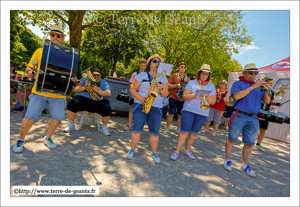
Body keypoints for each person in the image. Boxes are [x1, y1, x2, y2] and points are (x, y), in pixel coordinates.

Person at [13, 25, 68, 153]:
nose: (55, 37)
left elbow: (71, 72)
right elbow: (28, 67)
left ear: (63, 38)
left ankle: (47, 137)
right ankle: (20, 139)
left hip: (58, 93)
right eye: (52, 35)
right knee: (29, 116)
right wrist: (29, 72)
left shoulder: (68, 54)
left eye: (58, 36)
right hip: (39, 90)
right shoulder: (40, 51)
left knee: (58, 117)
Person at [223, 63, 271, 178]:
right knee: (231, 139)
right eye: (251, 73)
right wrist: (253, 87)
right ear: (244, 73)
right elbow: (236, 96)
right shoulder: (238, 83)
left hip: (254, 117)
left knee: (249, 143)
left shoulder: (258, 86)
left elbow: (267, 101)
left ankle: (244, 165)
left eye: (255, 73)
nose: (253, 75)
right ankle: (227, 160)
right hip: (239, 115)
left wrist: (266, 90)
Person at [126, 54, 168, 164]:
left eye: (159, 62)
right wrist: (141, 99)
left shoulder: (163, 77)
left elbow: (165, 94)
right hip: (141, 104)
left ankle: (154, 152)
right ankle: (132, 149)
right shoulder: (142, 75)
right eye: (154, 61)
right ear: (150, 63)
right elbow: (133, 89)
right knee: (137, 129)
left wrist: (161, 87)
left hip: (156, 106)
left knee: (155, 132)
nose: (157, 63)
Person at [170, 64, 217, 161]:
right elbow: (185, 97)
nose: (204, 75)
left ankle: (187, 150)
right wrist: (195, 94)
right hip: (189, 110)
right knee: (184, 132)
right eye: (203, 73)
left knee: (194, 133)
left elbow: (212, 102)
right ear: (199, 73)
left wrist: (205, 93)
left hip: (203, 113)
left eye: (207, 74)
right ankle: (177, 151)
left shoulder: (211, 86)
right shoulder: (191, 83)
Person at [63, 69, 112, 135]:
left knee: (107, 107)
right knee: (72, 102)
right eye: (94, 75)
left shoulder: (104, 82)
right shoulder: (86, 80)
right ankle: (71, 125)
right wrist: (84, 87)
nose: (96, 77)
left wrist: (97, 90)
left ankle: (104, 128)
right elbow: (75, 90)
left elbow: (108, 94)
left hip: (98, 102)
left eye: (98, 75)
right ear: (91, 74)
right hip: (83, 100)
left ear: (100, 76)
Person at [240, 77, 283, 151]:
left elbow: (269, 102)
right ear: (264, 83)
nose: (271, 85)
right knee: (250, 127)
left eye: (271, 83)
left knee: (263, 129)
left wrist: (276, 103)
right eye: (270, 83)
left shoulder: (271, 92)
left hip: (266, 112)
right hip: (255, 111)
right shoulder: (257, 89)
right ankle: (244, 141)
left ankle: (258, 144)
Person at [163, 62, 190, 134]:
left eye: (184, 67)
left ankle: (178, 129)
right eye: (181, 66)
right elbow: (168, 86)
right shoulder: (174, 76)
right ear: (178, 68)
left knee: (180, 115)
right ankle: (167, 128)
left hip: (182, 99)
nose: (183, 68)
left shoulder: (187, 78)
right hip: (173, 97)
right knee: (171, 113)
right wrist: (176, 85)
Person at [125, 59, 147, 130]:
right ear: (139, 65)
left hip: (142, 94)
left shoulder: (147, 75)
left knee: (140, 109)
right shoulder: (135, 74)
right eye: (141, 65)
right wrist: (134, 91)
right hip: (134, 93)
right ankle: (129, 124)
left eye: (144, 66)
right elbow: (131, 84)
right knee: (131, 108)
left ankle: (138, 125)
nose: (143, 67)